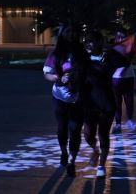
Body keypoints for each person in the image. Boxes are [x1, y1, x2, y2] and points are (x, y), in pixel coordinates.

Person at [43, 25, 88, 177]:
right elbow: (47, 74)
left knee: (75, 130)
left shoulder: (82, 53)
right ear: (62, 34)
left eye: (74, 31)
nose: (71, 34)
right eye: (68, 31)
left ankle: (72, 161)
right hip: (60, 97)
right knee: (63, 129)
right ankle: (63, 152)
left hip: (78, 98)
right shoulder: (55, 54)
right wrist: (57, 78)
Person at [81, 31, 116, 178]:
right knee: (88, 135)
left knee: (103, 135)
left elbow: (110, 68)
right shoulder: (82, 58)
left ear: (99, 42)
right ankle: (95, 150)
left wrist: (107, 48)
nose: (88, 44)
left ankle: (102, 165)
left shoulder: (108, 57)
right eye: (86, 41)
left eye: (92, 41)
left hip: (106, 102)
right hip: (89, 103)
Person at [111, 28, 136, 133]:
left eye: (122, 36)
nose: (120, 38)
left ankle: (129, 120)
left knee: (129, 100)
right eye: (118, 36)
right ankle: (118, 124)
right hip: (115, 78)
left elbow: (132, 56)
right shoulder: (114, 48)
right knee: (117, 101)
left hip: (128, 77)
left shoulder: (129, 47)